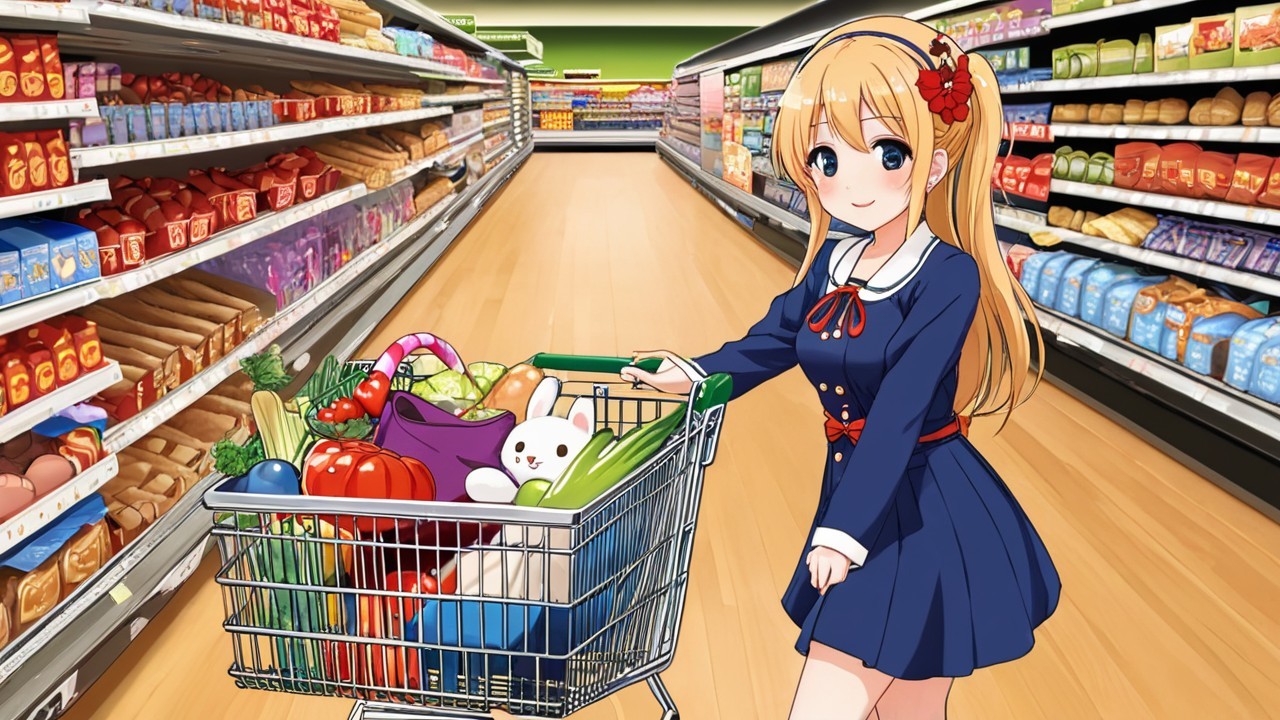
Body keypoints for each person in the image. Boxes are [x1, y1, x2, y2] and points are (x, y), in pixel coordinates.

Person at [621, 15, 1061, 720]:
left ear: (934, 164)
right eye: (826, 158)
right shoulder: (835, 259)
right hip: (859, 490)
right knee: (912, 707)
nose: (850, 182)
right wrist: (696, 375)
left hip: (922, 505)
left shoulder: (947, 276)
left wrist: (843, 532)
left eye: (887, 152)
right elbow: (774, 339)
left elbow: (901, 409)